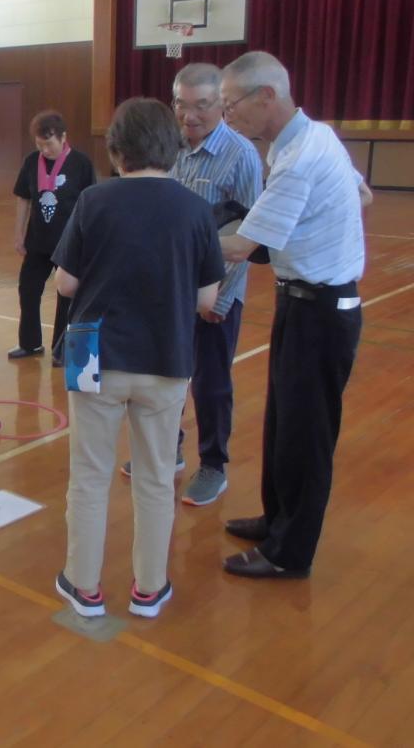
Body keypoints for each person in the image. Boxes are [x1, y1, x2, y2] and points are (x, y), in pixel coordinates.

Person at [52, 98, 224, 620]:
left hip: (93, 355)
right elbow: (208, 299)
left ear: (116, 149)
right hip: (166, 355)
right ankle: (149, 587)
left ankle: (83, 585)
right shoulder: (195, 209)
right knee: (155, 476)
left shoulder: (93, 200)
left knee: (89, 474)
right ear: (173, 147)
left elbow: (65, 284)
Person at [217, 51, 369, 579]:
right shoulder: (314, 137)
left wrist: (172, 239)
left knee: (307, 434)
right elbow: (363, 192)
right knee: (282, 422)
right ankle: (277, 520)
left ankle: (290, 553)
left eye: (231, 103)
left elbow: (241, 248)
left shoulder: (301, 156)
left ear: (266, 96)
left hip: (321, 311)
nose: (227, 114)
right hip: (299, 301)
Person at [119, 64, 263, 505]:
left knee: (211, 384)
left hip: (216, 294)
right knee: (166, 376)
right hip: (170, 292)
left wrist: (219, 296)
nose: (190, 115)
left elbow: (248, 234)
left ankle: (214, 465)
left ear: (222, 105)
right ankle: (170, 449)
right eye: (182, 104)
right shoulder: (169, 147)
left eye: (202, 105)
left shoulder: (241, 155)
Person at [7, 111, 95, 364]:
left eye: (49, 144)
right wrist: (19, 233)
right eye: (40, 144)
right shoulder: (31, 162)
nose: (44, 150)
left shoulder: (81, 163)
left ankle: (62, 349)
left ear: (63, 137)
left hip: (69, 244)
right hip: (37, 241)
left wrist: (88, 239)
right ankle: (30, 343)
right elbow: (24, 199)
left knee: (66, 296)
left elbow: (90, 203)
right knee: (28, 289)